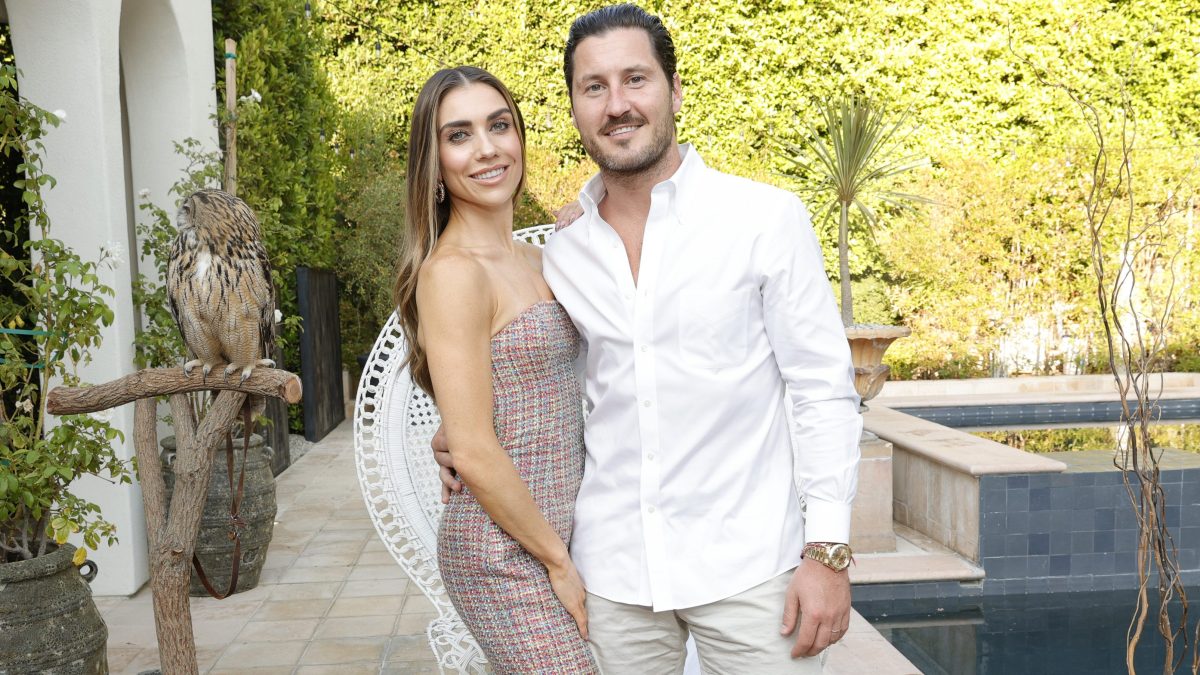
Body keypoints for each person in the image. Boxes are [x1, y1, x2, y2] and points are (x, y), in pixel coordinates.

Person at [437, 4, 863, 672]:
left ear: (675, 90)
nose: (617, 105)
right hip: (610, 579)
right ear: (574, 109)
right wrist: (460, 433)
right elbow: (532, 362)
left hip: (751, 571)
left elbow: (823, 390)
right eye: (594, 87)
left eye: (635, 79)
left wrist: (828, 550)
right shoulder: (565, 250)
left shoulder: (764, 221)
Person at [394, 65, 599, 673]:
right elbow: (475, 450)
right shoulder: (453, 273)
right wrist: (556, 561)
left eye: (499, 126)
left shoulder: (540, 258)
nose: (486, 149)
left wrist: (589, 222)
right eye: (459, 135)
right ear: (434, 164)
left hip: (559, 535)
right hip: (502, 553)